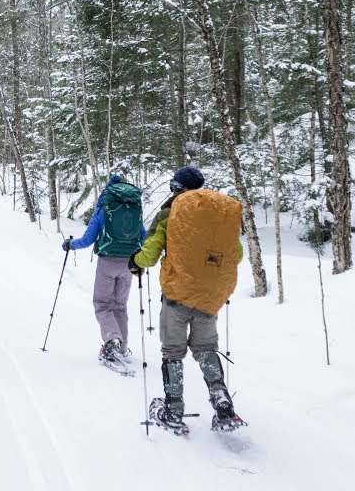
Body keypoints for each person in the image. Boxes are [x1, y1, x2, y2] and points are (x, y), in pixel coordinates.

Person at [128, 165, 245, 433]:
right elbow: (235, 255)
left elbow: (149, 254)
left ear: (177, 188)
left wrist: (135, 262)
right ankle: (222, 402)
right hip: (209, 297)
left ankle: (173, 410)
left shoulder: (169, 214)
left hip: (177, 294)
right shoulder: (217, 217)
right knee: (205, 349)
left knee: (172, 352)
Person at [63, 173, 146, 372]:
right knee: (120, 306)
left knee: (102, 304)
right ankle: (122, 347)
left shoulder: (103, 209)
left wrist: (70, 244)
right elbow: (143, 237)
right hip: (129, 262)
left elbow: (87, 240)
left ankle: (112, 341)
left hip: (108, 262)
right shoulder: (133, 208)